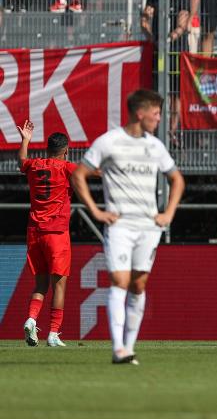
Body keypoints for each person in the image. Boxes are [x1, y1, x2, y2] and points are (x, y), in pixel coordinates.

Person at [71, 90, 185, 365]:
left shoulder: (155, 146)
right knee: (120, 281)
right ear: (140, 113)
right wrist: (96, 210)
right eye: (156, 114)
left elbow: (177, 179)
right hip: (120, 225)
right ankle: (118, 348)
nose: (159, 119)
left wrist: (167, 213)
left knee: (138, 284)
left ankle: (129, 347)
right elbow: (79, 175)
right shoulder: (109, 142)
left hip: (148, 226)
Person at [18, 121, 76, 348]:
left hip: (34, 233)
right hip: (57, 233)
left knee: (40, 284)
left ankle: (32, 319)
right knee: (59, 285)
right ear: (66, 150)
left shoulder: (34, 165)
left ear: (48, 149)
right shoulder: (67, 168)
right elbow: (90, 173)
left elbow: (22, 161)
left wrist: (25, 140)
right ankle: (53, 333)